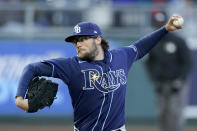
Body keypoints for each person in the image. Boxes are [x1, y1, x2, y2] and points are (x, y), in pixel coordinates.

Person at [15, 14, 182, 131]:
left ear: (98, 39)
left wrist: (165, 29)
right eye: (75, 41)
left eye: (82, 39)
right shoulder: (70, 66)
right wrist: (20, 99)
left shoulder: (121, 56)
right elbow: (31, 68)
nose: (77, 44)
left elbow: (140, 47)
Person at [146, 11, 193, 131]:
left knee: (175, 113)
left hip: (177, 83)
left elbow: (188, 63)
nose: (159, 25)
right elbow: (149, 63)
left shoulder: (178, 41)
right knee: (161, 112)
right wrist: (154, 79)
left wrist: (179, 80)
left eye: (161, 22)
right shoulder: (153, 42)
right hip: (161, 83)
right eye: (157, 23)